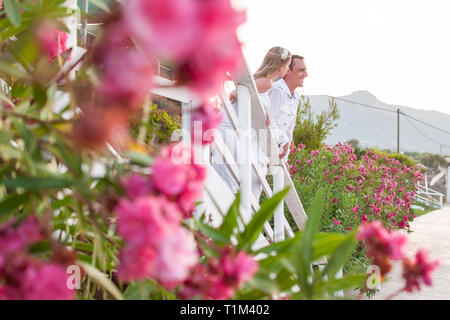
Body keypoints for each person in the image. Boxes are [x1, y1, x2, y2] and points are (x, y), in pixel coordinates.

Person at [211, 46, 292, 200]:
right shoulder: (267, 82)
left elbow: (251, 97)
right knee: (231, 181)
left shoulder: (263, 80)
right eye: (287, 66)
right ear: (281, 67)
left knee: (233, 180)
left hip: (234, 129)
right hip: (232, 131)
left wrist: (263, 110)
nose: (287, 70)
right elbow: (236, 93)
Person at [267, 55, 308, 162]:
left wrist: (285, 160)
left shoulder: (296, 97)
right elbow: (269, 120)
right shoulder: (277, 89)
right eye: (301, 70)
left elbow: (289, 130)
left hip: (276, 151)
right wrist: (283, 141)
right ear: (288, 71)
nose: (306, 75)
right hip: (261, 146)